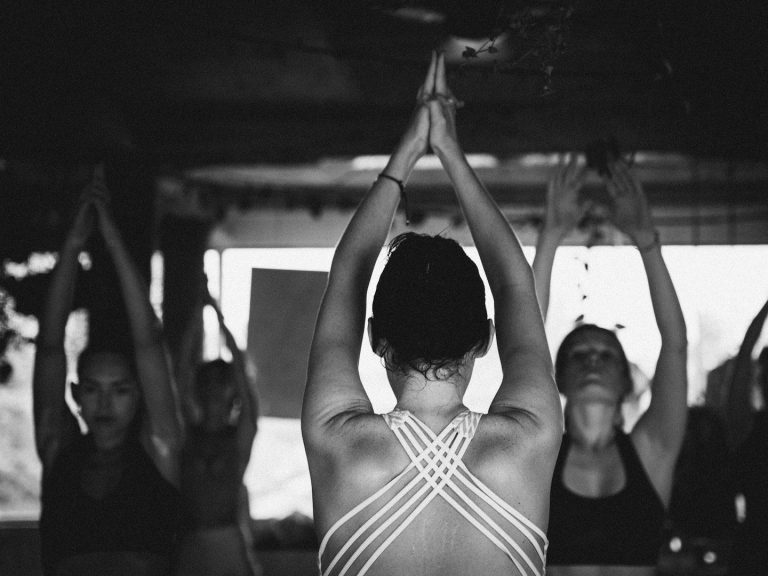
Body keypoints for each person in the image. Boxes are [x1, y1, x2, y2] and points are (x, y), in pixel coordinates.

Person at [302, 51, 563, 576]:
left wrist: (406, 156)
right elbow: (516, 285)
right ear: (485, 338)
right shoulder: (528, 439)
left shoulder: (338, 442)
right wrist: (451, 151)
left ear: (374, 337)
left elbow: (348, 272)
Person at [533, 158, 688, 575]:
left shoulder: (652, 451)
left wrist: (645, 239)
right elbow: (523, 340)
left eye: (606, 355)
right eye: (579, 355)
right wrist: (550, 235)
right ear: (559, 376)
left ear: (625, 378)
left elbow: (675, 346)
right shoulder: (537, 457)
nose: (593, 362)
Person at [34, 167, 183, 576]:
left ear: (139, 396)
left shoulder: (159, 449)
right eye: (94, 390)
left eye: (120, 390)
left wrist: (111, 236)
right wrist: (76, 240)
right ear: (76, 395)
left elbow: (149, 343)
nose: (105, 404)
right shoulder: (59, 448)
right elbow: (49, 346)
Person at [173, 280, 261, 576]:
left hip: (228, 544)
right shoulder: (187, 435)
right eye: (206, 381)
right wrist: (197, 315)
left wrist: (219, 318)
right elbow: (180, 377)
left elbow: (247, 389)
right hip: (190, 542)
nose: (212, 389)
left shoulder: (238, 439)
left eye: (220, 382)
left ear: (232, 392)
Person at [726, 297, 768, 575]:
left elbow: (744, 359)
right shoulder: (748, 427)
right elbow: (743, 359)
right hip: (755, 549)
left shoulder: (746, 426)